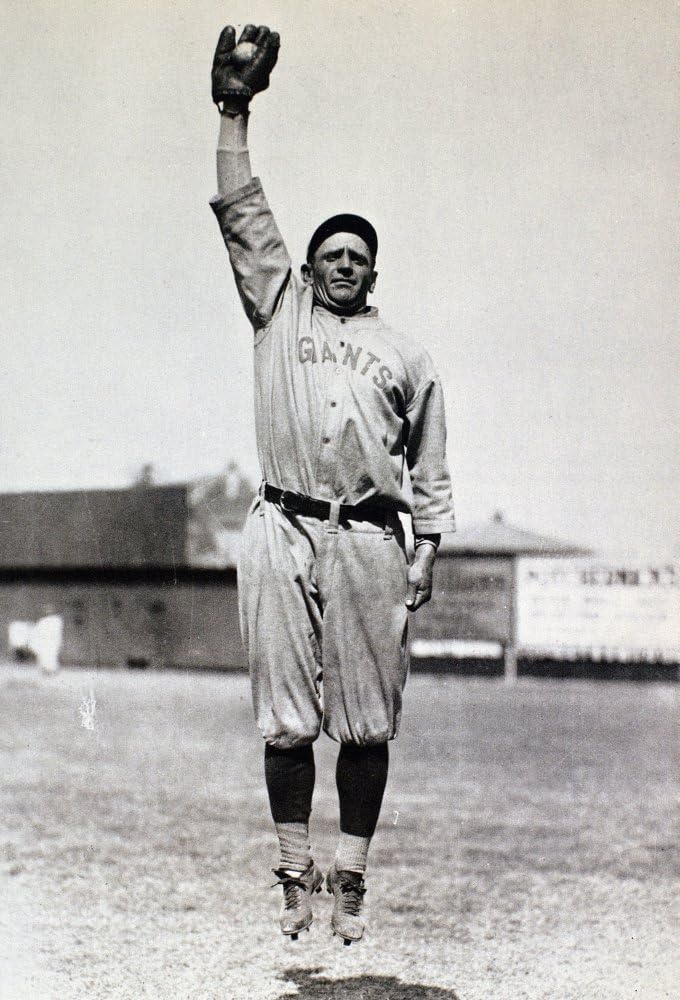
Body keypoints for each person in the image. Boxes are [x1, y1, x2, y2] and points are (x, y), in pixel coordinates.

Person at [209, 24, 456, 944]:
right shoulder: (278, 310)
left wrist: (427, 545)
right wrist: (234, 111)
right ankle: (291, 871)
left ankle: (348, 875)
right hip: (281, 526)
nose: (343, 262)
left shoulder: (406, 354)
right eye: (331, 254)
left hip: (368, 537)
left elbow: (430, 463)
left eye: (359, 255)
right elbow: (243, 212)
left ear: (374, 273)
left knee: (365, 726)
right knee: (284, 723)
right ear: (309, 268)